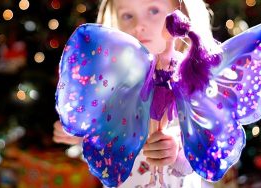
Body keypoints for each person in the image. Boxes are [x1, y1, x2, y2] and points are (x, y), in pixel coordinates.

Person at [54, 0, 219, 187]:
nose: (138, 25)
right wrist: (81, 135)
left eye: (154, 10)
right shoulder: (113, 86)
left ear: (184, 16)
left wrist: (178, 152)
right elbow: (106, 142)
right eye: (127, 15)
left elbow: (208, 147)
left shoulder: (192, 83)